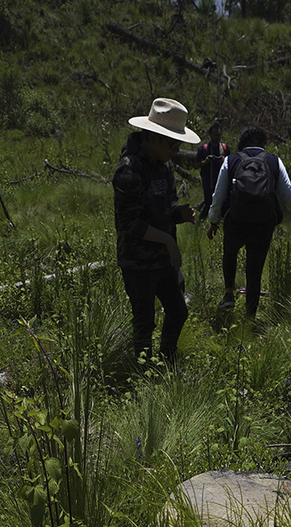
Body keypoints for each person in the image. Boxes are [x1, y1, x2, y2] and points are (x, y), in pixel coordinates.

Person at [114, 97, 199, 365]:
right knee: (144, 321)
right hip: (138, 262)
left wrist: (179, 213)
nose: (177, 149)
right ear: (154, 138)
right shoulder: (129, 170)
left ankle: (167, 360)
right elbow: (130, 224)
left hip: (162, 260)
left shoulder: (165, 165)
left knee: (177, 311)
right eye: (173, 143)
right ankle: (143, 375)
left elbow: (168, 203)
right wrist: (168, 241)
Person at [206, 125, 291, 319]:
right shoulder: (274, 160)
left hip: (236, 220)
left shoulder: (231, 160)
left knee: (230, 252)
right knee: (255, 268)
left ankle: (228, 293)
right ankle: (250, 316)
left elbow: (219, 194)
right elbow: (287, 191)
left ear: (242, 143)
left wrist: (213, 221)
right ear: (263, 143)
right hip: (263, 223)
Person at [194, 122, 229, 220]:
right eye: (215, 135)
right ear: (210, 135)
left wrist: (224, 160)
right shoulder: (204, 148)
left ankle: (218, 223)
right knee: (208, 203)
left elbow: (231, 163)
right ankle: (200, 223)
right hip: (208, 182)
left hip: (221, 181)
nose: (217, 137)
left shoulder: (224, 148)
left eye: (219, 135)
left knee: (222, 203)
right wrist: (205, 161)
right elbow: (196, 165)